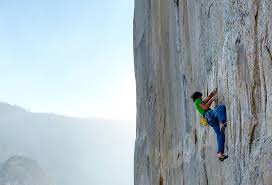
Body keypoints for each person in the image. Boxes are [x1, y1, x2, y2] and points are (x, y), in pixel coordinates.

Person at [191, 89, 228, 161]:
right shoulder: (197, 101)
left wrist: (212, 94)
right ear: (198, 97)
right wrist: (212, 100)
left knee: (220, 134)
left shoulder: (198, 102)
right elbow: (205, 107)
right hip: (209, 115)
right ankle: (222, 122)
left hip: (210, 121)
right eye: (200, 97)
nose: (201, 98)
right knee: (220, 108)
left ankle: (220, 153)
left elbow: (206, 100)